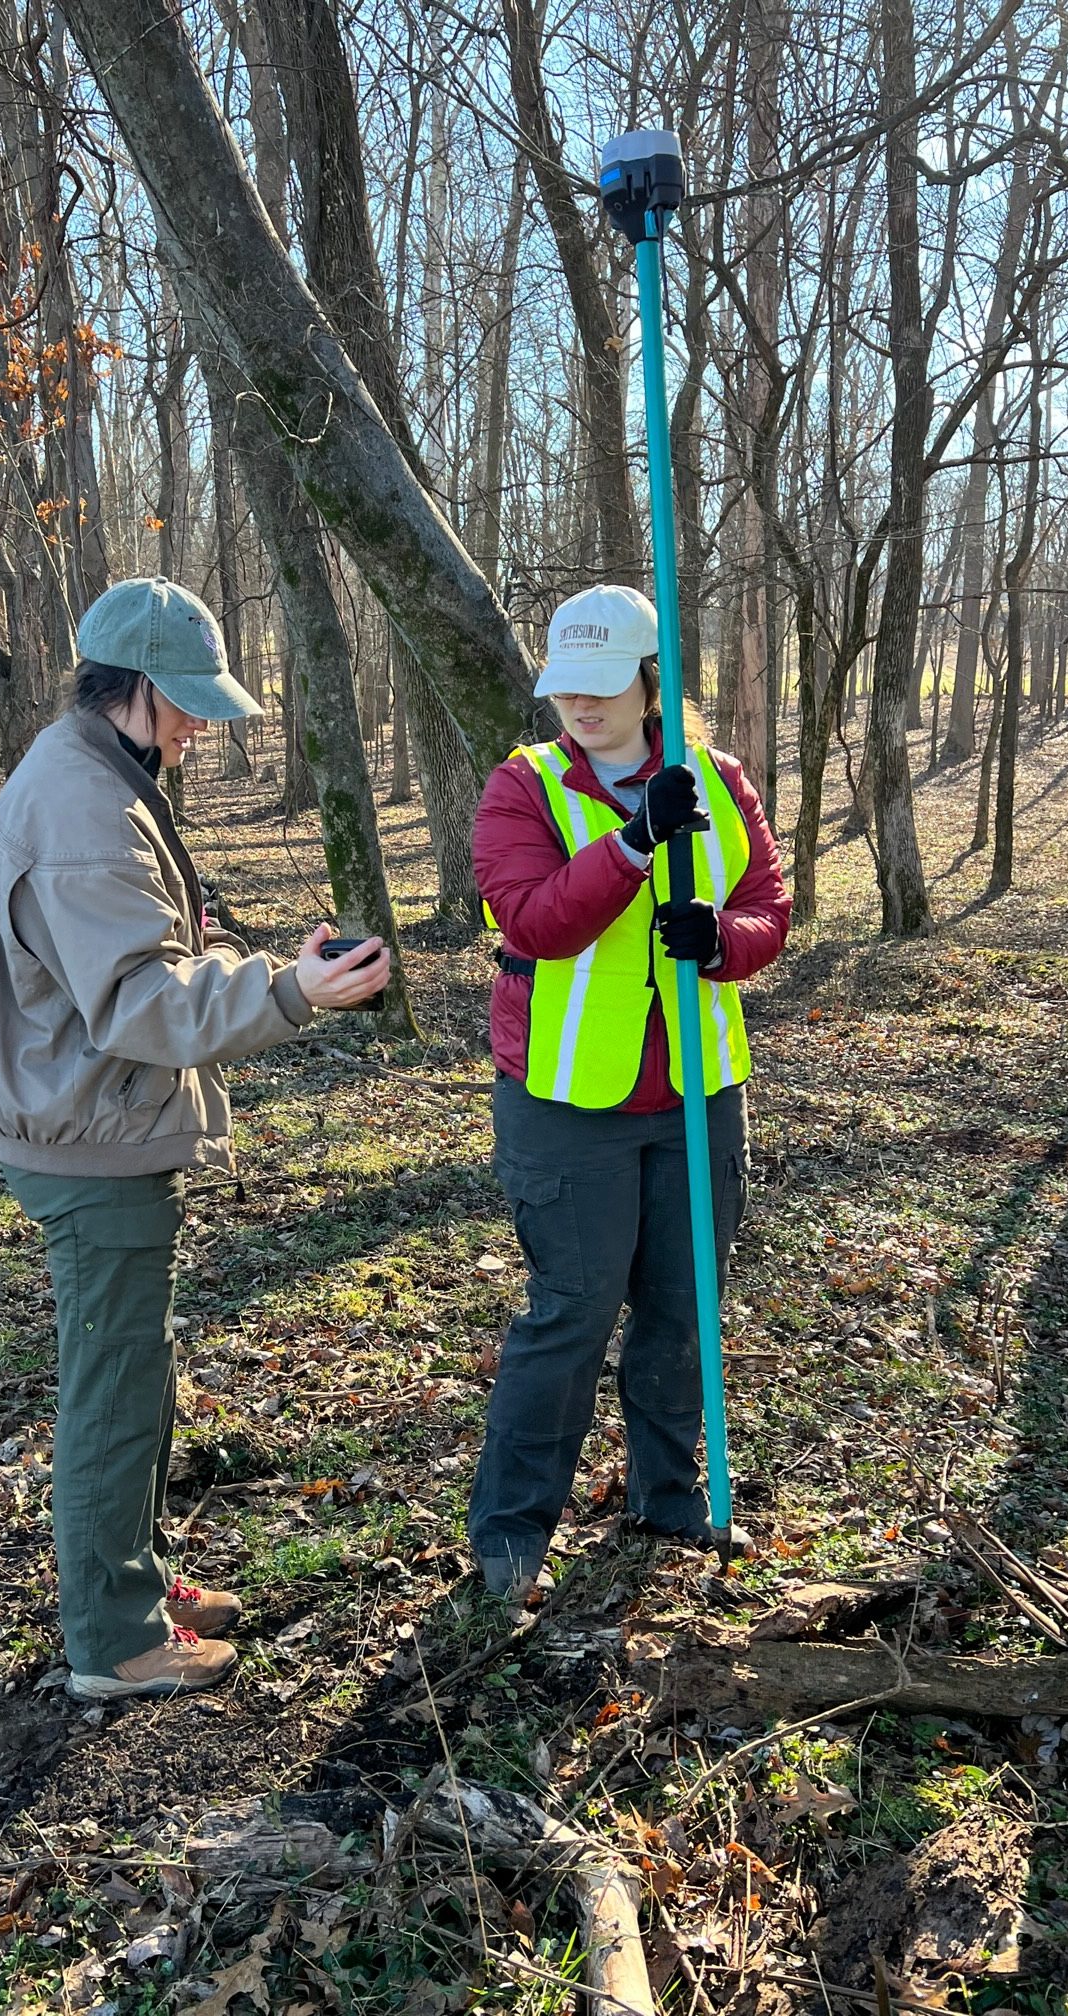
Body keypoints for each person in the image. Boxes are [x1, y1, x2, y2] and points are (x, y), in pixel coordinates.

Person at [0, 577, 390, 1700]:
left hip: (95, 1118)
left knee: (136, 1371)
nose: (200, 727)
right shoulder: (84, 811)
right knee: (112, 1381)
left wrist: (256, 963)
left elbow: (137, 958)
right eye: (189, 704)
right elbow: (139, 1003)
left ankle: (137, 1578)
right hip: (87, 1133)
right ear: (135, 690)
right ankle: (113, 1637)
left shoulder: (96, 775)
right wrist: (293, 992)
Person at [468, 583, 790, 1598]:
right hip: (569, 1106)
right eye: (568, 687)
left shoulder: (719, 779)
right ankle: (514, 1529)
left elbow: (768, 905)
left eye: (606, 687)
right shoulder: (521, 789)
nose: (584, 706)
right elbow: (532, 922)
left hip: (698, 1095)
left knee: (683, 1306)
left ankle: (670, 1494)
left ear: (655, 683)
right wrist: (634, 844)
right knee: (571, 1311)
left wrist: (725, 942)